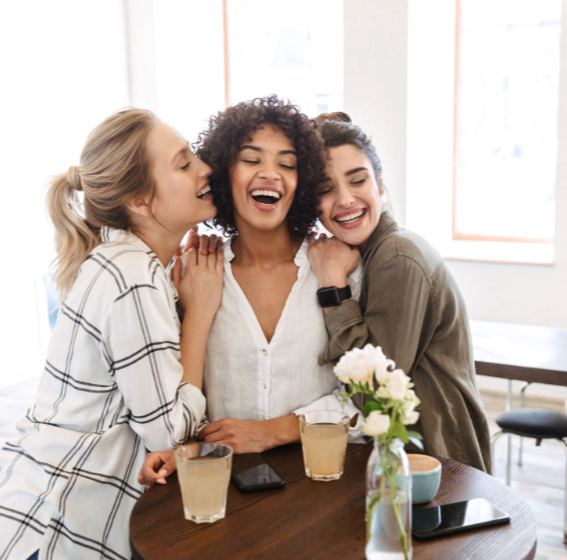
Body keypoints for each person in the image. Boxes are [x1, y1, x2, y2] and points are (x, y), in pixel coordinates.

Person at [0, 108, 224, 560]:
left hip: (31, 512)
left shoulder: (124, 263)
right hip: (49, 531)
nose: (205, 168)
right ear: (139, 200)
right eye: (184, 163)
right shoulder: (132, 276)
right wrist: (197, 315)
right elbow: (165, 432)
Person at [140, 96, 362, 485]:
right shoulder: (195, 274)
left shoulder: (337, 268)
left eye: (287, 164)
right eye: (251, 159)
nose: (270, 174)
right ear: (224, 174)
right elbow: (177, 398)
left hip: (327, 484)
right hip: (225, 491)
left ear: (302, 180)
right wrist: (186, 446)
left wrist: (276, 430)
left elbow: (367, 397)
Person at [306, 112, 492, 474]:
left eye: (357, 180)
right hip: (417, 459)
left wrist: (332, 285)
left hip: (437, 462)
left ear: (380, 185)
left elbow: (376, 396)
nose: (344, 199)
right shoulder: (372, 253)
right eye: (325, 189)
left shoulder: (397, 256)